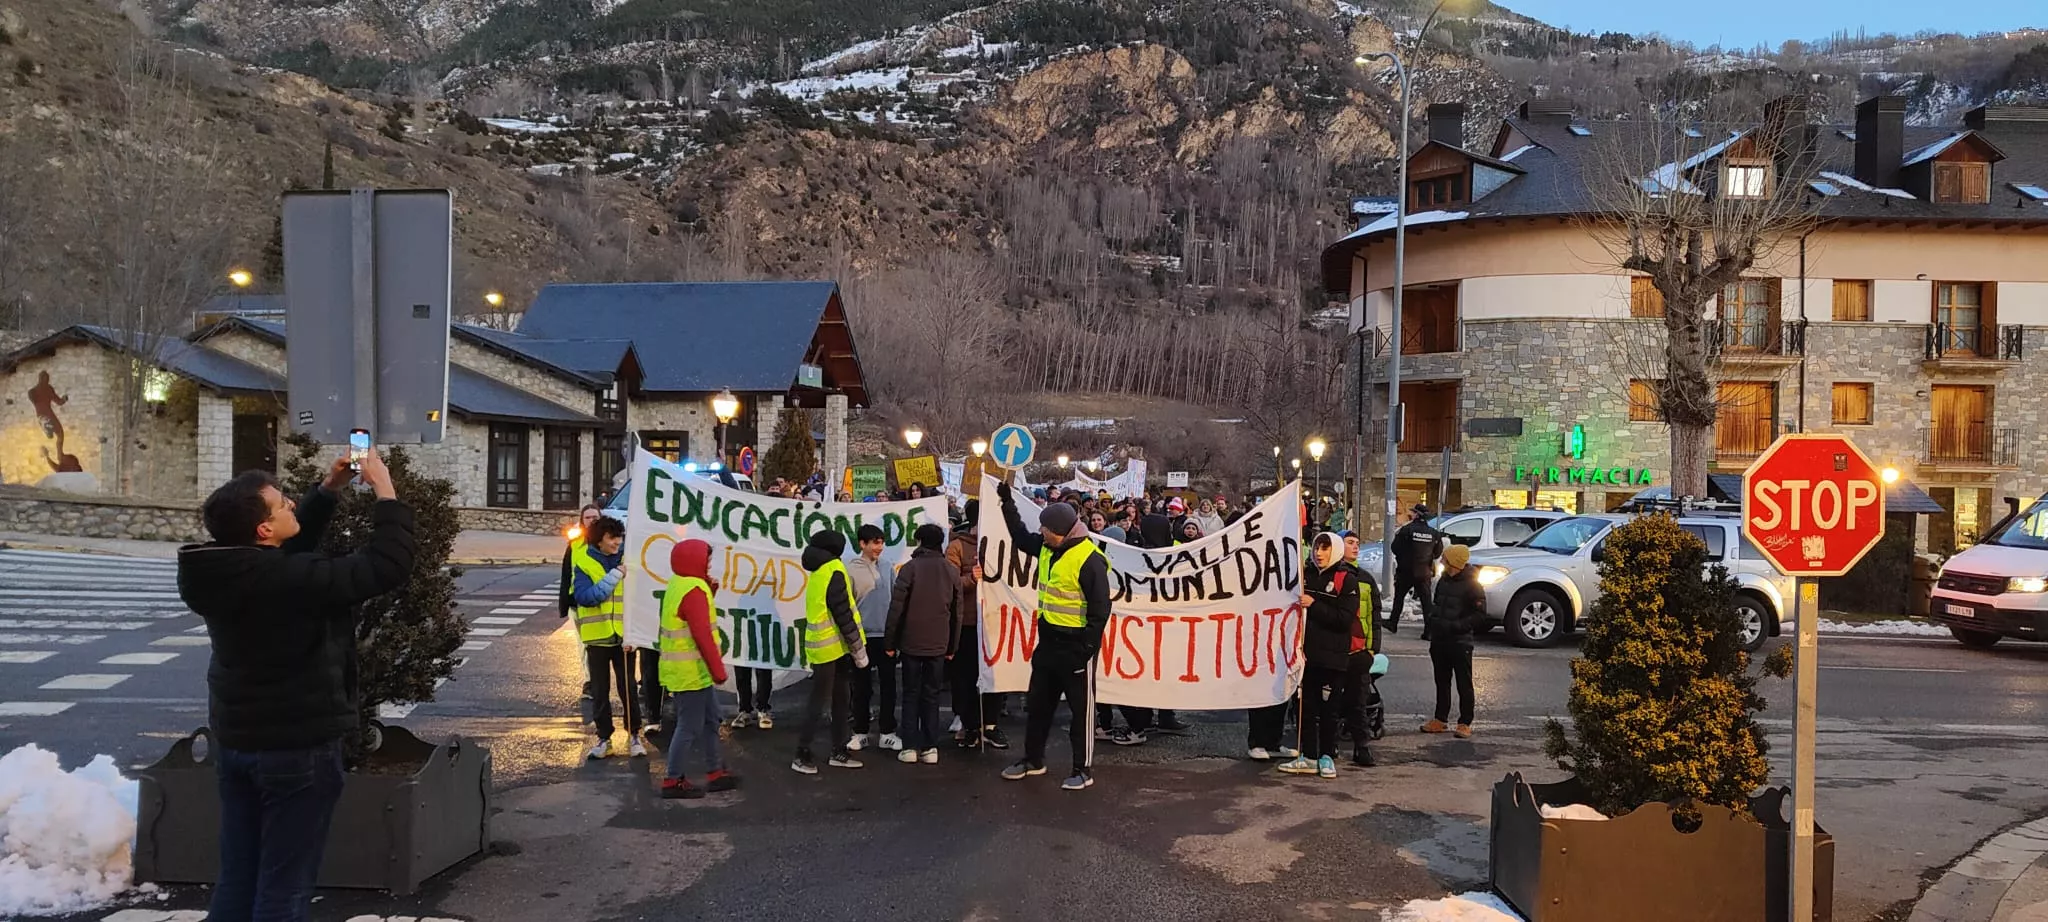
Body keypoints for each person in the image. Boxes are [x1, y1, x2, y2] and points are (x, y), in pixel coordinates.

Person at [179, 451, 416, 922]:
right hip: (296, 749)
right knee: (284, 888)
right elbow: (385, 566)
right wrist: (386, 492)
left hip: (239, 742)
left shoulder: (216, 569)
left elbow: (283, 552)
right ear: (263, 531)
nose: (291, 505)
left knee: (239, 875)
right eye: (283, 505)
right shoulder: (287, 579)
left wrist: (329, 489)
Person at [995, 481, 1110, 791]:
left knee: (1081, 713)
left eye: (1046, 529)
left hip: (1076, 648)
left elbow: (1101, 611)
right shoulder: (1049, 547)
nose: (1041, 533)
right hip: (1047, 644)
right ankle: (1033, 760)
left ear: (1062, 531)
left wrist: (1086, 649)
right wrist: (1007, 502)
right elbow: (1020, 538)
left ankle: (1082, 769)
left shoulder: (1090, 560)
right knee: (1038, 706)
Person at [657, 538, 739, 799]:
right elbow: (702, 633)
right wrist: (719, 671)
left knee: (710, 720)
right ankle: (673, 780)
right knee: (689, 727)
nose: (709, 564)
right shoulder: (693, 589)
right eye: (707, 560)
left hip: (690, 671)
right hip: (690, 673)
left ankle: (716, 772)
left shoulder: (679, 583)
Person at [1277, 533, 1360, 779]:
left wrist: (1314, 605)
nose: (1319, 553)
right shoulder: (1307, 576)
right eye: (1316, 548)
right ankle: (1308, 756)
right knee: (1306, 708)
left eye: (1324, 548)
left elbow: (1344, 619)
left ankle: (1327, 756)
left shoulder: (1346, 580)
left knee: (1329, 710)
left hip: (1333, 658)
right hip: (1306, 656)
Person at [793, 529, 870, 773]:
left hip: (823, 646)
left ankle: (837, 749)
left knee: (837, 700)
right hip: (834, 647)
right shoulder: (834, 570)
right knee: (825, 702)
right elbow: (843, 613)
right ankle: (804, 753)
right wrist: (858, 650)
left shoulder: (819, 570)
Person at [885, 523, 960, 764]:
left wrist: (890, 641)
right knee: (932, 695)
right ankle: (930, 747)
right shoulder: (951, 571)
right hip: (939, 644)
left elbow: (896, 609)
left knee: (910, 693)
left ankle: (909, 746)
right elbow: (958, 613)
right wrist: (952, 647)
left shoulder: (909, 569)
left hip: (911, 642)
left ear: (919, 542)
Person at [570, 516, 645, 759]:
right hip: (597, 638)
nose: (617, 542)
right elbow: (586, 597)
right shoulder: (583, 562)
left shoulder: (629, 560)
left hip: (624, 639)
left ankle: (635, 735)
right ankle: (604, 738)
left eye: (620, 537)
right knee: (600, 692)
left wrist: (635, 632)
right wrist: (614, 576)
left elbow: (639, 599)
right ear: (599, 540)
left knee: (629, 689)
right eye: (612, 538)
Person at [946, 503, 1009, 750]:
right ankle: (970, 724)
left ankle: (990, 725)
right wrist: (972, 578)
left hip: (995, 621)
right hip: (968, 623)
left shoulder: (1000, 544)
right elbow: (950, 585)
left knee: (996, 675)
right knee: (965, 676)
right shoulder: (957, 546)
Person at [846, 524, 900, 753]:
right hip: (862, 637)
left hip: (886, 636)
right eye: (874, 542)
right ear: (862, 544)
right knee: (861, 687)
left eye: (881, 542)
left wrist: (895, 634)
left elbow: (897, 600)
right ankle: (860, 732)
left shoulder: (888, 567)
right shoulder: (849, 569)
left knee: (889, 686)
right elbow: (846, 605)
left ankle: (887, 732)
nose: (879, 547)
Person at [1422, 544, 1484, 739]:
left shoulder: (1473, 585)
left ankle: (1465, 722)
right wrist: (1432, 623)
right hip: (1440, 641)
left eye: (1445, 559)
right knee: (1442, 681)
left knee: (1463, 683)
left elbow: (1479, 615)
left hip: (1460, 642)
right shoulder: (1444, 581)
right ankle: (1440, 719)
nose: (1441, 562)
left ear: (1454, 563)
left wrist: (1456, 626)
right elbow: (1437, 605)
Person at [559, 503, 603, 703]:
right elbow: (566, 574)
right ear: (582, 521)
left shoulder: (610, 543)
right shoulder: (575, 544)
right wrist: (565, 602)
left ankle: (600, 683)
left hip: (603, 603)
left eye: (595, 517)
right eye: (588, 517)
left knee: (602, 646)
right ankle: (590, 681)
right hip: (578, 603)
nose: (592, 520)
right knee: (584, 645)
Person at [1388, 504, 1444, 634]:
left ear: (1417, 515)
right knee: (1426, 602)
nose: (1411, 515)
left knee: (1399, 597)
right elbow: (1437, 552)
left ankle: (1393, 623)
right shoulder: (1434, 533)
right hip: (1424, 572)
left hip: (1406, 570)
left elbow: (1395, 547)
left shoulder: (1407, 530)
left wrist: (1405, 558)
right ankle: (1429, 631)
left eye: (1413, 513)